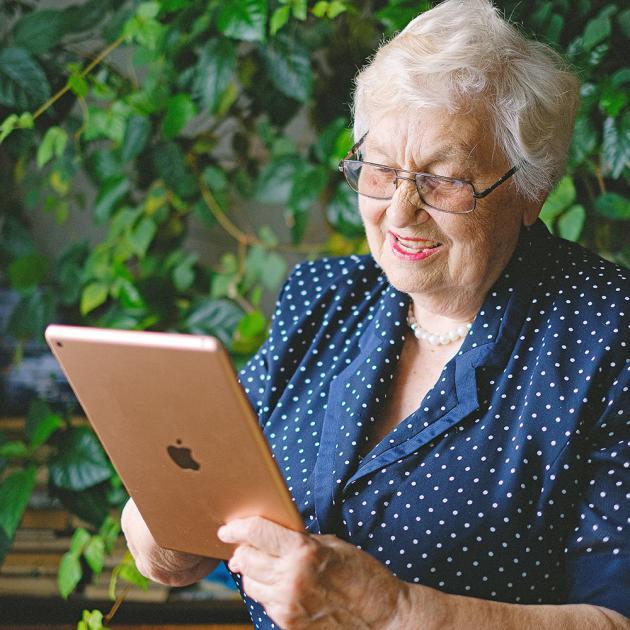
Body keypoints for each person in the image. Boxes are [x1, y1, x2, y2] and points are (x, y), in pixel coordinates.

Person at [122, 0, 629, 627]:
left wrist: (391, 610)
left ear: (530, 190)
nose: (399, 210)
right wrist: (162, 523)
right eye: (382, 170)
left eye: (445, 179)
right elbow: (183, 536)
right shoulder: (322, 300)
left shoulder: (606, 336)